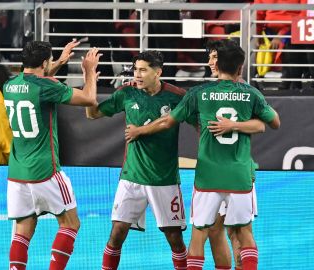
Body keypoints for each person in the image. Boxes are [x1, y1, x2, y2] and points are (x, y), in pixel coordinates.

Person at [125, 44, 280, 270]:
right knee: (229, 232)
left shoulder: (200, 93)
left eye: (213, 58)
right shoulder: (250, 93)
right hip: (238, 175)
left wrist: (139, 130)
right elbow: (270, 123)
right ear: (240, 66)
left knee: (217, 234)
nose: (210, 62)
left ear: (220, 62)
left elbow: (170, 120)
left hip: (210, 176)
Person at [86, 51, 190, 270]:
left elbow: (197, 122)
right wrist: (90, 83)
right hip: (131, 177)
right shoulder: (127, 93)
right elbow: (92, 114)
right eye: (135, 69)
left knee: (174, 239)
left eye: (143, 70)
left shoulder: (177, 96)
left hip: (164, 179)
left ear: (158, 72)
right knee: (117, 233)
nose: (137, 74)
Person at [4, 41, 100, 270]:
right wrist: (89, 72)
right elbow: (89, 99)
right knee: (70, 224)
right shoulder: (46, 86)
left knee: (23, 230)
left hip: (17, 173)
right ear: (44, 62)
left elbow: (38, 82)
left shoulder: (9, 84)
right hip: (45, 170)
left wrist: (59, 62)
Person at [205, 39, 266, 270]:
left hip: (238, 170)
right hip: (215, 172)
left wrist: (233, 126)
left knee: (239, 231)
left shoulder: (248, 92)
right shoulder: (208, 92)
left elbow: (262, 124)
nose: (210, 62)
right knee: (215, 229)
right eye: (210, 57)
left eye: (214, 57)